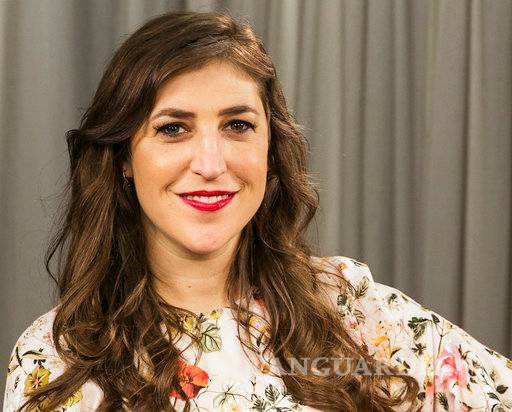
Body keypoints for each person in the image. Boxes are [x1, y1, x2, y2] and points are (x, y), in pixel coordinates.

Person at [3, 10, 511, 412]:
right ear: (124, 158)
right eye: (173, 128)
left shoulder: (352, 309)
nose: (210, 164)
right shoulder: (57, 359)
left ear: (271, 149)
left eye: (237, 126)